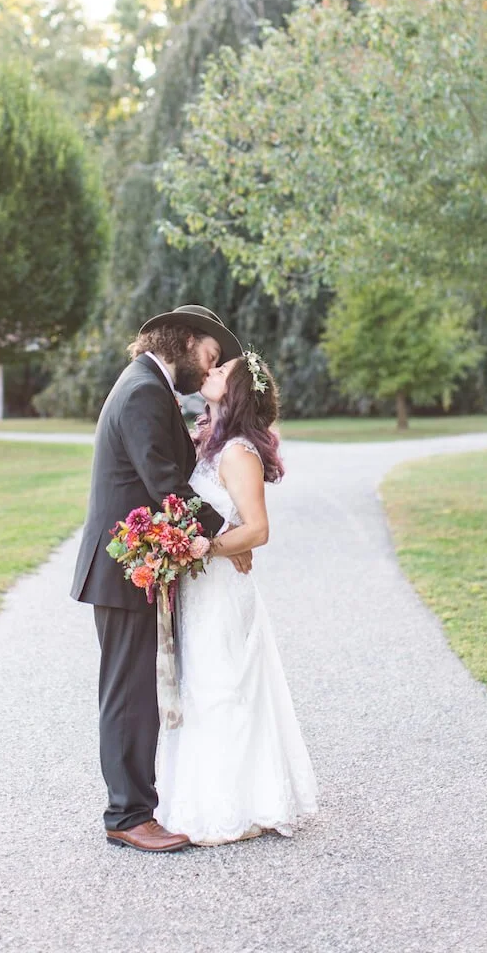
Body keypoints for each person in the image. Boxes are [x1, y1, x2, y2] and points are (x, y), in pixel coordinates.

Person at [71, 304, 250, 854]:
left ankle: (134, 806)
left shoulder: (146, 383)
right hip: (124, 570)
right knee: (127, 694)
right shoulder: (145, 390)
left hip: (132, 567)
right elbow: (165, 483)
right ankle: (127, 815)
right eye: (210, 355)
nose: (208, 367)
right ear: (186, 341)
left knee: (134, 690)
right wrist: (230, 536)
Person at [155, 350, 318, 845]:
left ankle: (238, 803)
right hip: (204, 586)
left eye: (222, 371)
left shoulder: (240, 452)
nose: (212, 372)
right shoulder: (209, 443)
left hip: (222, 590)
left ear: (238, 390)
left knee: (222, 685)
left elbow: (259, 530)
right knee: (200, 684)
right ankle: (204, 797)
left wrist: (207, 549)